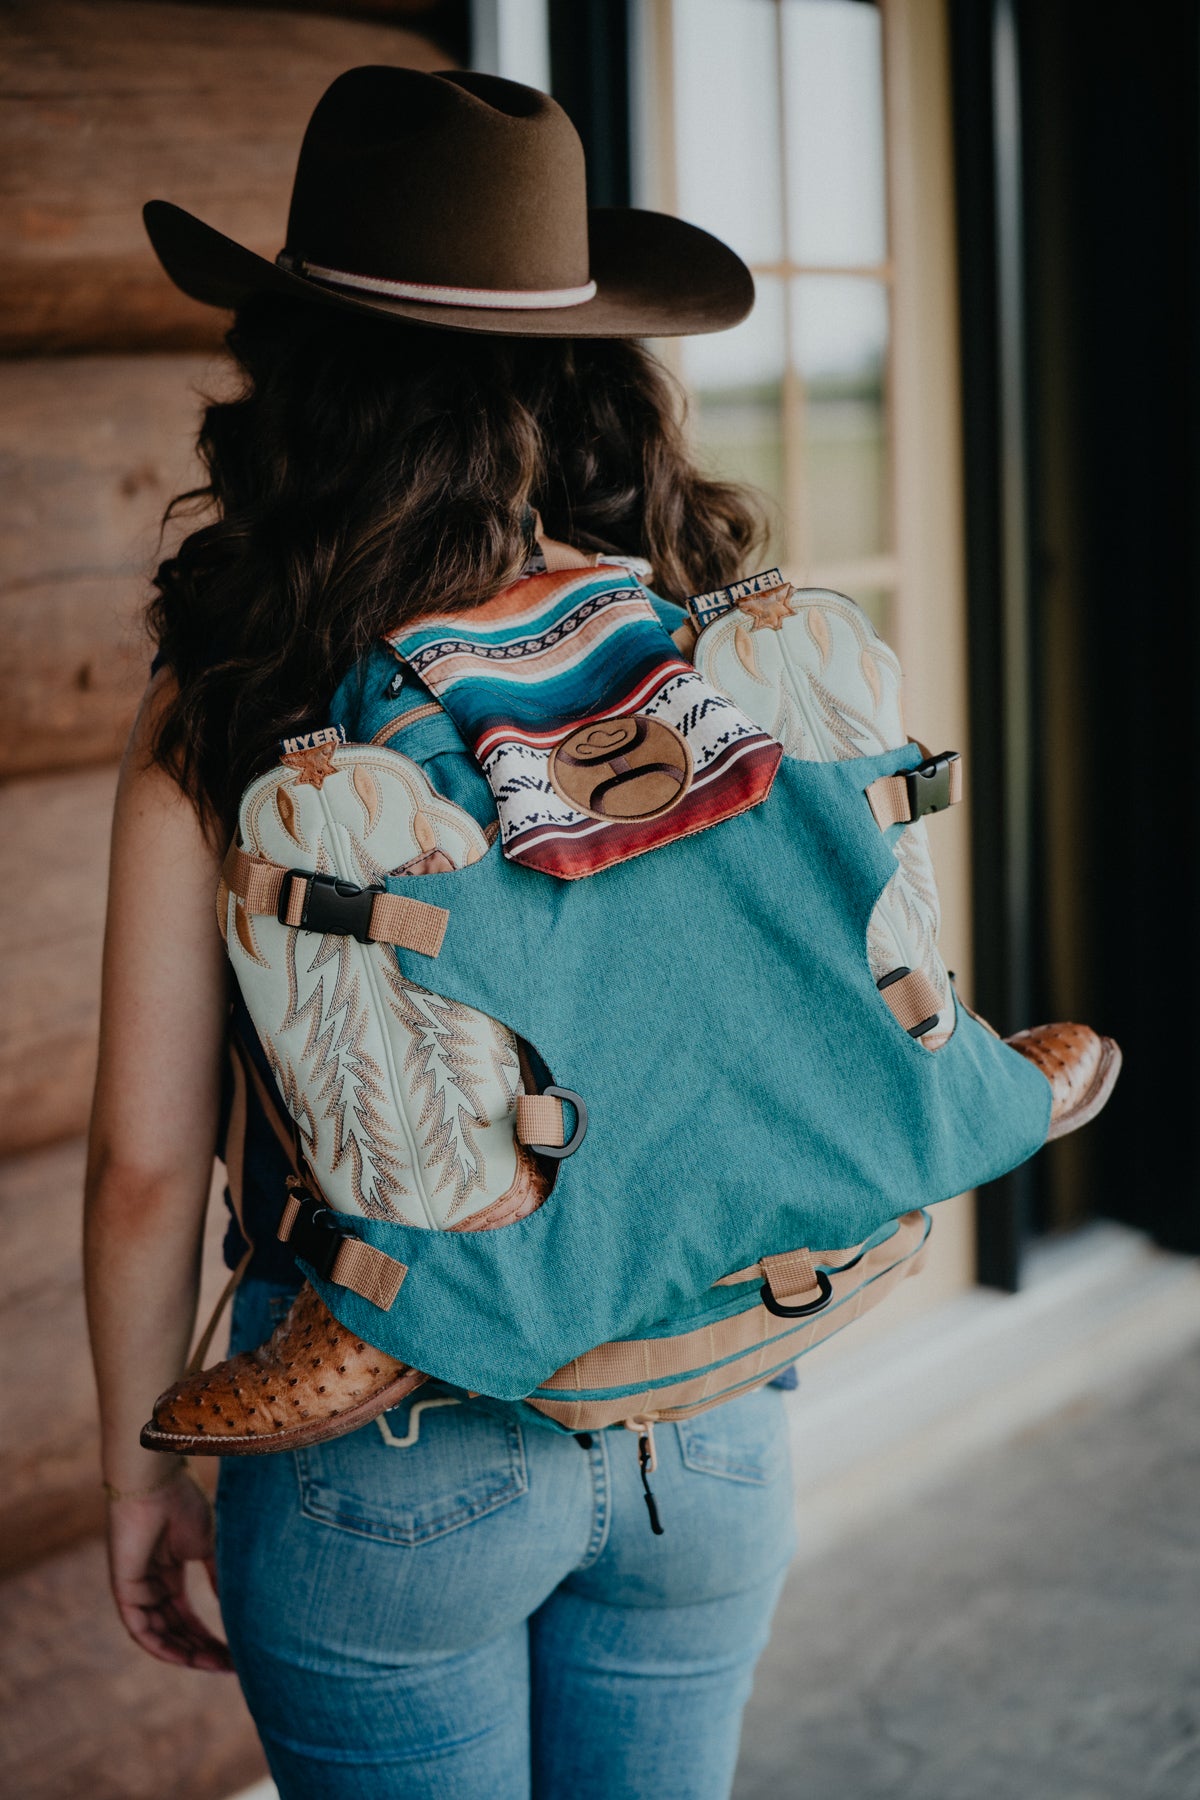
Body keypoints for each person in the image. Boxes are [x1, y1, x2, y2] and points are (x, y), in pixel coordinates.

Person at [85, 67, 801, 1800]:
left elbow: (142, 1164)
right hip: (703, 1392)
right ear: (590, 363)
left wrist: (139, 1473)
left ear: (299, 372)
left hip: (381, 1430)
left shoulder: (241, 691)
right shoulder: (688, 632)